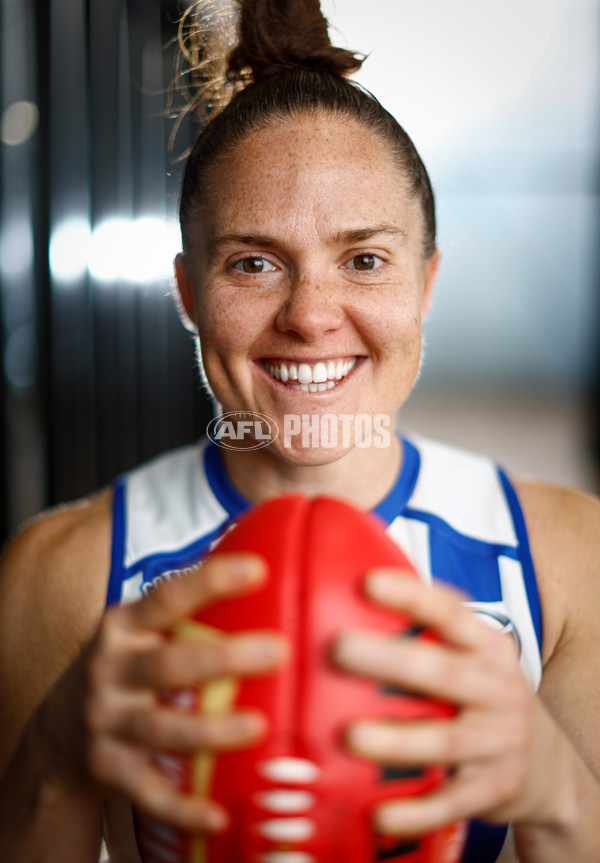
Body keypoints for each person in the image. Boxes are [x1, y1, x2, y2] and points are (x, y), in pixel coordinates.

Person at [1, 1, 600, 861]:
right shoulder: (59, 580)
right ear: (189, 293)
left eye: (365, 259)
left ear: (426, 283)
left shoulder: (566, 561)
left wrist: (559, 795)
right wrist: (54, 761)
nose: (311, 316)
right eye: (253, 263)